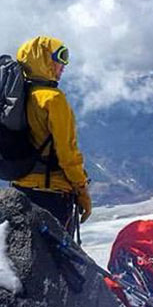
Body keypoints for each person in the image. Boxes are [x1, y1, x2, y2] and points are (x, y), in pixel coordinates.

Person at [11, 35, 92, 233]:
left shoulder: (20, 96)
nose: (64, 65)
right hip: (51, 193)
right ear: (43, 60)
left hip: (20, 188)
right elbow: (67, 153)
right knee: (58, 260)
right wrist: (82, 190)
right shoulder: (54, 100)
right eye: (59, 58)